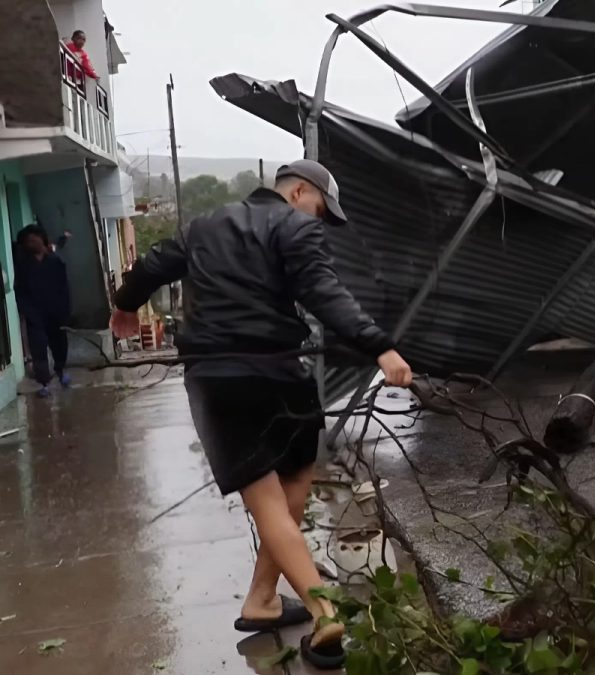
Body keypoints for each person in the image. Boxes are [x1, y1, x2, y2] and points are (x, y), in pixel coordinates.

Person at [111, 160, 412, 670]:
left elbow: (152, 266)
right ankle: (324, 611)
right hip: (282, 372)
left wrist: (124, 305)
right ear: (298, 192)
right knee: (291, 483)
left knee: (275, 494)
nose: (319, 220)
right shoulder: (295, 227)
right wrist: (380, 346)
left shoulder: (203, 226)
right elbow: (324, 292)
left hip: (219, 379)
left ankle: (263, 599)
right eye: (320, 209)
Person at [14, 225, 72, 398]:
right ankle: (44, 383)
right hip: (35, 315)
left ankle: (60, 371)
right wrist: (27, 311)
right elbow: (20, 291)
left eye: (34, 240)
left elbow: (64, 289)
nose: (31, 244)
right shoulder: (23, 265)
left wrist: (65, 311)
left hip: (56, 312)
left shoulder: (55, 261)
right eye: (28, 242)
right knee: (38, 348)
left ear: (42, 239)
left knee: (59, 344)